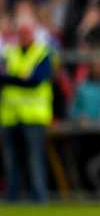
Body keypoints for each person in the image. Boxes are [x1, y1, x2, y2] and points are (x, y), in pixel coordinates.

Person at [0, 11, 53, 202]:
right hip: (10, 115)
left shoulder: (42, 53)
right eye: (20, 32)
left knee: (34, 160)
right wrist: (21, 78)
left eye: (27, 32)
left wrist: (13, 79)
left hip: (33, 116)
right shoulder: (9, 53)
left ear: (33, 33)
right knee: (10, 161)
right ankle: (11, 199)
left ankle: (39, 198)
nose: (23, 36)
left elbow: (37, 80)